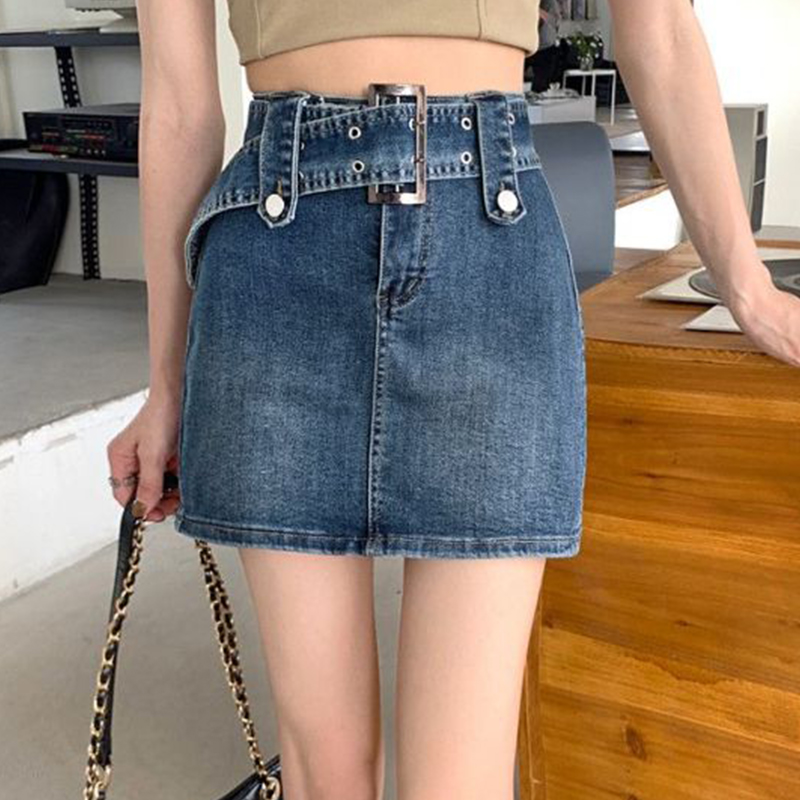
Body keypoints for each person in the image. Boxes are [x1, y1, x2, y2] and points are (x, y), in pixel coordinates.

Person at [107, 2, 800, 799]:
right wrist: (167, 385)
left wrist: (747, 287)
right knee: (325, 774)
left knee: (459, 780)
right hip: (275, 253)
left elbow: (663, 33)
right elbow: (180, 105)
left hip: (491, 242)